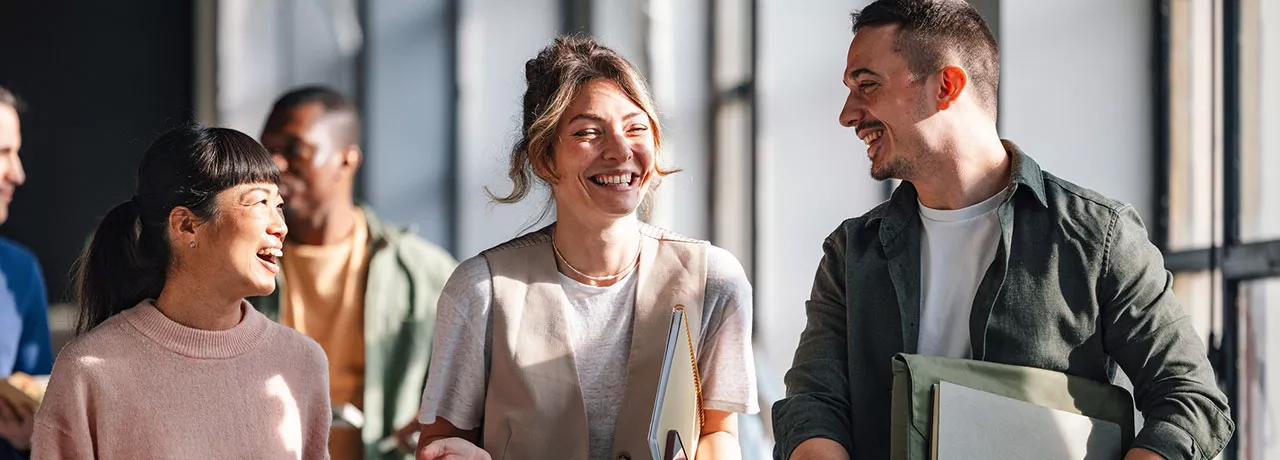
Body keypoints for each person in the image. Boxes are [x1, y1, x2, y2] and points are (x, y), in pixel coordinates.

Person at [771, 1, 1234, 459]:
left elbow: (1191, 400)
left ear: (947, 86)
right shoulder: (851, 253)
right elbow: (813, 404)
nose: (848, 114)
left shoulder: (1100, 238)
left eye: (866, 85)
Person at [414, 36, 758, 460]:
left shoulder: (713, 280)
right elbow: (439, 441)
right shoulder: (481, 290)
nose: (619, 151)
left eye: (635, 128)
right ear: (543, 158)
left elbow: (719, 433)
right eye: (588, 133)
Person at [31, 125, 331, 459]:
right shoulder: (89, 371)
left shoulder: (301, 363)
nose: (281, 226)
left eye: (279, 205)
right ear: (186, 225)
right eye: (260, 202)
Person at [255, 86, 458, 460]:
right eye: (267, 149)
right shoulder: (243, 266)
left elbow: (467, 392)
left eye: (294, 149)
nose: (275, 164)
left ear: (347, 160)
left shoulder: (425, 272)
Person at [0, 87, 51, 460]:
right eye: (3, 153)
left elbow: (38, 397)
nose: (18, 174)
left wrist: (28, 438)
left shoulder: (20, 272)